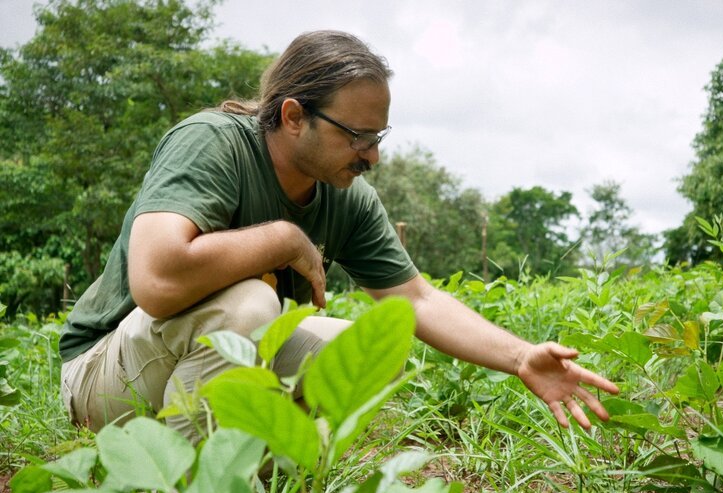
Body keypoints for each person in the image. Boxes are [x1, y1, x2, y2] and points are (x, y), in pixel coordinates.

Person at [59, 30, 619, 441]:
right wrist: (282, 239)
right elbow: (156, 280)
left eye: (378, 136)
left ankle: (263, 466)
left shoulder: (346, 194)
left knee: (373, 350)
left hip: (194, 374)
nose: (372, 155)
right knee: (250, 303)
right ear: (295, 115)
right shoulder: (213, 142)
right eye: (357, 135)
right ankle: (181, 491)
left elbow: (416, 300)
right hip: (105, 380)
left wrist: (522, 357)